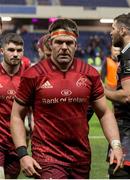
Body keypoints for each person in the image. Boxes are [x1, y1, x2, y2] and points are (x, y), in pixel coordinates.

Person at [10, 18, 123, 179]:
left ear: (76, 45)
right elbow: (16, 116)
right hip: (47, 158)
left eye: (69, 43)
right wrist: (22, 154)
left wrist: (116, 145)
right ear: (50, 43)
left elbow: (104, 112)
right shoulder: (33, 75)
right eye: (59, 42)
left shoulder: (90, 74)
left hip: (81, 159)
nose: (64, 47)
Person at [105, 13, 130, 179]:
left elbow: (127, 96)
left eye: (113, 28)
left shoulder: (129, 55)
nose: (110, 32)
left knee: (119, 173)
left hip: (127, 131)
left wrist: (99, 90)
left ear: (122, 30)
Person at [0, 33, 28, 179]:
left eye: (19, 50)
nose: (16, 54)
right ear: (2, 51)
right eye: (11, 50)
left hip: (17, 141)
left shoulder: (28, 78)